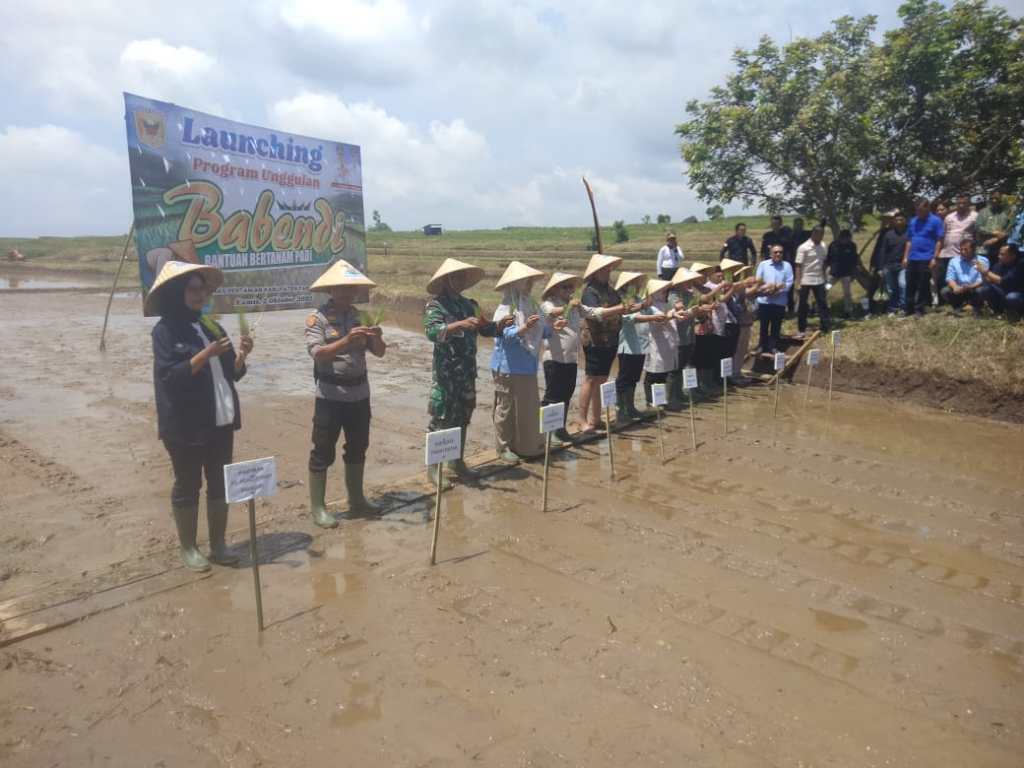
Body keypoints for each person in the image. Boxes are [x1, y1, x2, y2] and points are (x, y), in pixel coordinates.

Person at [150, 260, 254, 571]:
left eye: (203, 290)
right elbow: (170, 377)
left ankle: (219, 545)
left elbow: (232, 374)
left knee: (219, 483)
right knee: (188, 484)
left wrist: (242, 355)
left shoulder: (211, 326)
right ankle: (189, 547)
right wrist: (205, 354)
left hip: (221, 419)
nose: (201, 295)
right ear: (176, 293)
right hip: (185, 425)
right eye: (193, 289)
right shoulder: (164, 331)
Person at [306, 260, 386, 529]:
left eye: (351, 288)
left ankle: (357, 499)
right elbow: (318, 354)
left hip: (360, 395)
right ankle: (318, 508)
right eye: (341, 288)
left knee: (358, 447)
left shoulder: (361, 317)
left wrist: (376, 337)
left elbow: (379, 352)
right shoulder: (317, 318)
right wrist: (346, 340)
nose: (347, 292)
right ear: (331, 290)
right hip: (330, 397)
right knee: (322, 451)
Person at [424, 258, 511, 486]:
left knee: (463, 414)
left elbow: (485, 328)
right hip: (446, 374)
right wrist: (459, 325)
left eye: (463, 276)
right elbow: (432, 332)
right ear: (446, 280)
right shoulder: (436, 305)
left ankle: (456, 461)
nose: (461, 280)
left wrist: (499, 326)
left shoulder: (470, 304)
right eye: (457, 276)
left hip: (467, 371)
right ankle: (433, 469)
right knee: (441, 418)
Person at [491, 261, 554, 460]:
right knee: (507, 407)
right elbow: (505, 334)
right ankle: (503, 447)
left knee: (527, 407)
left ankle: (525, 445)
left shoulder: (531, 305)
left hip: (527, 365)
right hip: (508, 365)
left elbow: (542, 330)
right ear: (515, 284)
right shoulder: (505, 309)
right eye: (526, 281)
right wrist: (525, 327)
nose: (529, 285)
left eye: (530, 281)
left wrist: (553, 327)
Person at [579, 253, 634, 436]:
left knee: (602, 378)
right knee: (590, 378)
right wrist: (620, 308)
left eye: (609, 269)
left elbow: (620, 308)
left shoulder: (610, 291)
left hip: (610, 339)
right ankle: (582, 420)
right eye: (604, 269)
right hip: (594, 340)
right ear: (595, 272)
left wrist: (632, 307)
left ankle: (596, 418)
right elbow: (595, 313)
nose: (608, 272)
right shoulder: (589, 292)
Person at [540, 272, 591, 444]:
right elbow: (551, 312)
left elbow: (591, 312)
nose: (569, 290)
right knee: (553, 396)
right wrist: (569, 306)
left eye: (571, 287)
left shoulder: (574, 305)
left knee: (566, 394)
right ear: (555, 289)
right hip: (554, 358)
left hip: (570, 358)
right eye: (565, 287)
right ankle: (547, 434)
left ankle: (560, 429)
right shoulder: (548, 304)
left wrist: (619, 309)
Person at [613, 271, 651, 425]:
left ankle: (630, 407)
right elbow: (628, 317)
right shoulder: (621, 300)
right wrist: (644, 306)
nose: (636, 286)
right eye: (633, 283)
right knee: (624, 378)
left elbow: (648, 312)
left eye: (637, 283)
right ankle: (620, 410)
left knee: (634, 378)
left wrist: (646, 306)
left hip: (640, 345)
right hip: (627, 345)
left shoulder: (638, 299)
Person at [668, 268, 707, 407]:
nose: (690, 283)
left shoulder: (690, 295)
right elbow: (679, 315)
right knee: (675, 368)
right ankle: (671, 397)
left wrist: (701, 312)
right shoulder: (673, 296)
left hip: (689, 335)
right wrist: (693, 311)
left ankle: (679, 394)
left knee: (683, 365)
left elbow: (696, 309)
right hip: (677, 336)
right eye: (688, 281)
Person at [640, 279, 679, 408]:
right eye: (663, 291)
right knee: (653, 373)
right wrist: (672, 315)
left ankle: (660, 400)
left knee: (663, 373)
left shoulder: (666, 304)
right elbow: (658, 320)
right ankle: (650, 401)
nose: (666, 293)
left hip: (667, 343)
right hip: (655, 343)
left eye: (666, 291)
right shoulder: (650, 307)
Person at [903, 198, 944, 316]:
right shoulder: (913, 221)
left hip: (927, 257)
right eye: (917, 210)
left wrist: (935, 258)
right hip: (912, 257)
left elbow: (939, 241)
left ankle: (919, 309)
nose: (918, 213)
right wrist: (905, 257)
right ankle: (908, 309)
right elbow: (909, 240)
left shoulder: (936, 221)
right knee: (910, 284)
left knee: (923, 284)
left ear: (928, 208)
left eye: (920, 210)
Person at [937, 195, 977, 305]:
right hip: (947, 252)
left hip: (964, 253)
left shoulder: (974, 216)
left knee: (964, 277)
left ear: (969, 204)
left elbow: (976, 234)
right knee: (947, 278)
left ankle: (967, 301)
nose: (961, 205)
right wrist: (938, 252)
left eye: (964, 203)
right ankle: (949, 302)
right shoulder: (949, 217)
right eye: (959, 203)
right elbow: (942, 236)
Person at [755, 245, 793, 353]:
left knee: (776, 325)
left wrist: (777, 290)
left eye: (780, 252)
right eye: (775, 252)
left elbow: (789, 283)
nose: (778, 254)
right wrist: (767, 290)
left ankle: (773, 346)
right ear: (771, 254)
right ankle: (762, 345)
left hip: (779, 302)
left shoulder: (787, 266)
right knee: (763, 325)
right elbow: (758, 281)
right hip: (765, 301)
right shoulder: (763, 264)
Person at [795, 226, 831, 337]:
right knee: (803, 305)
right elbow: (798, 266)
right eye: (819, 235)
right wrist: (798, 283)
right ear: (814, 234)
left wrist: (825, 278)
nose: (821, 237)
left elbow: (824, 262)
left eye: (822, 235)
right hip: (805, 279)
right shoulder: (803, 247)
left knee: (822, 303)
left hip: (819, 279)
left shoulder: (823, 246)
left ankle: (825, 327)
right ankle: (801, 328)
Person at [726, 264, 758, 381]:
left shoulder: (742, 287)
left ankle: (737, 372)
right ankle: (731, 374)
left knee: (742, 350)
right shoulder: (732, 286)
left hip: (746, 322)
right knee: (736, 349)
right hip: (737, 323)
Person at [941, 237, 987, 314]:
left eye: (966, 249)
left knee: (981, 290)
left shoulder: (982, 260)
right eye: (961, 249)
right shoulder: (954, 261)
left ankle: (976, 307)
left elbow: (982, 279)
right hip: (960, 289)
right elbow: (950, 278)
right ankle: (958, 306)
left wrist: (970, 287)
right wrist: (955, 287)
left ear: (973, 249)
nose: (963, 252)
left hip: (974, 288)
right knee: (945, 291)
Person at [977, 244, 1023, 319]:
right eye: (999, 254)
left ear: (1013, 256)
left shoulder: (1019, 266)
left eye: (1002, 254)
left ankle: (1015, 313)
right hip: (1003, 292)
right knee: (983, 290)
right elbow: (989, 280)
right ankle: (998, 312)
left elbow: (1003, 281)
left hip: (1017, 293)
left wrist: (986, 272)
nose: (999, 256)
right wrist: (982, 272)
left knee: (1012, 297)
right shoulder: (999, 265)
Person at [877, 213, 910, 316]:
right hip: (889, 266)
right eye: (897, 220)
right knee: (891, 289)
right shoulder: (888, 234)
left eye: (901, 219)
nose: (899, 222)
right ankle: (893, 308)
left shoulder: (909, 233)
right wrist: (880, 268)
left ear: (905, 221)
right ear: (893, 221)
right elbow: (882, 250)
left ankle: (903, 308)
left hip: (903, 266)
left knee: (902, 285)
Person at [826, 229, 858, 317]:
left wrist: (853, 272)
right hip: (833, 274)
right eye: (846, 239)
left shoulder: (852, 246)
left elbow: (854, 260)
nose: (848, 240)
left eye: (849, 239)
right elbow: (828, 258)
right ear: (841, 238)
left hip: (846, 274)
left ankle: (848, 310)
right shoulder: (833, 245)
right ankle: (822, 307)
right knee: (826, 288)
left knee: (847, 293)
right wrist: (827, 269)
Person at [975, 191, 1011, 260]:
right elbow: (978, 227)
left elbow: (1009, 230)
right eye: (992, 198)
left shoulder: (1006, 213)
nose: (994, 200)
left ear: (1001, 199)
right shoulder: (983, 212)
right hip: (983, 249)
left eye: (997, 198)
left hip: (999, 251)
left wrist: (996, 239)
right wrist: (993, 232)